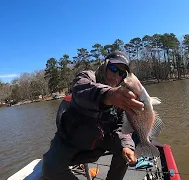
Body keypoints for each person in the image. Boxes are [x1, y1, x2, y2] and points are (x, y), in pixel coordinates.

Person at [42, 51, 144, 180]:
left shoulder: (121, 94)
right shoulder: (87, 77)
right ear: (104, 65)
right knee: (50, 167)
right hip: (70, 140)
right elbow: (80, 90)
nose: (116, 76)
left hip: (100, 141)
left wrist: (127, 146)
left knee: (129, 144)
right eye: (113, 69)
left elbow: (120, 126)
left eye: (122, 73)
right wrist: (109, 95)